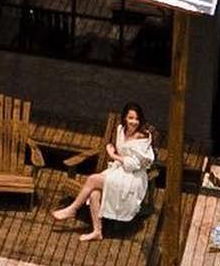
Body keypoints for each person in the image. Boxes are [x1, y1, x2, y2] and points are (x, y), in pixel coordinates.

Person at [51, 103, 155, 242]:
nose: (133, 122)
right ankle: (97, 231)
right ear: (124, 117)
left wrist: (113, 155)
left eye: (136, 119)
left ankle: (73, 209)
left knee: (93, 179)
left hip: (132, 178)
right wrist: (113, 152)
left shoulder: (142, 138)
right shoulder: (121, 130)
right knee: (94, 193)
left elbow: (135, 164)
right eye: (130, 118)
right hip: (119, 172)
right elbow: (119, 149)